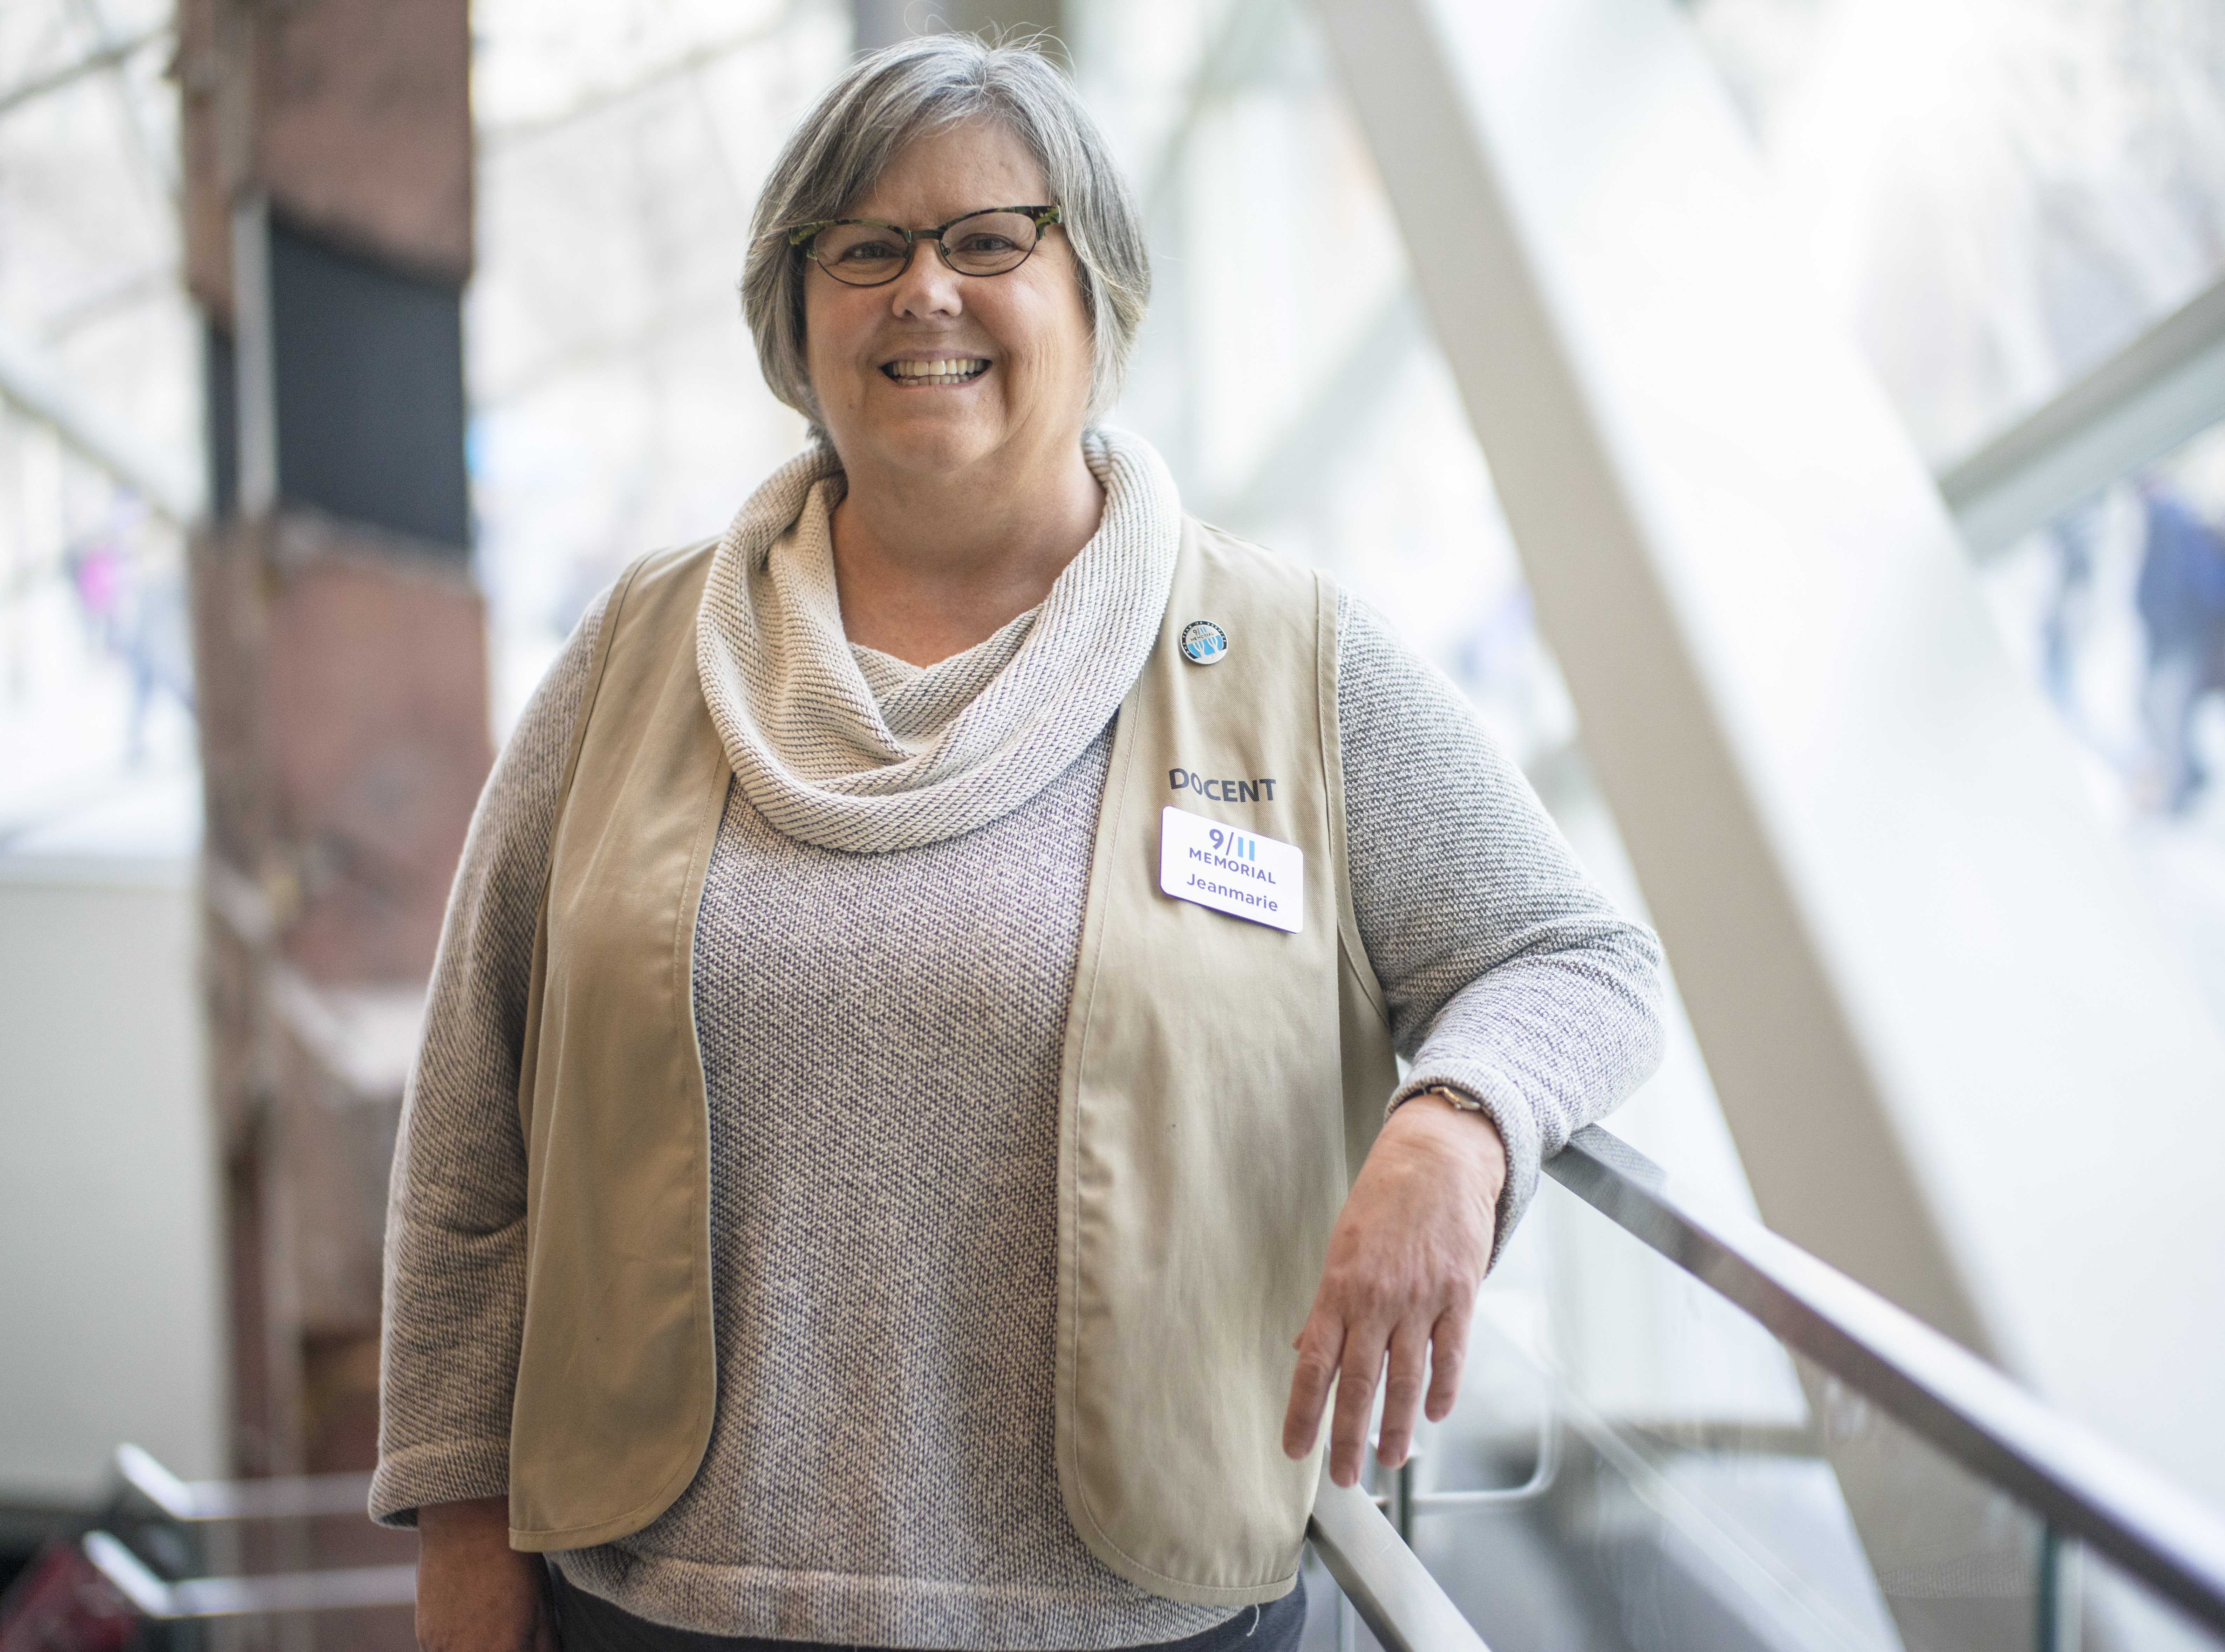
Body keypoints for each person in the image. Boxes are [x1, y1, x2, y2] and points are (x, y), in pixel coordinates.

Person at [374, 32, 1665, 1652]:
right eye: (865, 250)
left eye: (992, 239)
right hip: (664, 1603)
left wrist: (1454, 1128)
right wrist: (460, 1550)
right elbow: (471, 1142)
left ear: (1096, 296)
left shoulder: (1287, 662)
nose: (926, 291)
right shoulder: (639, 656)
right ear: (797, 316)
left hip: (1141, 1618)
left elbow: (1576, 960)